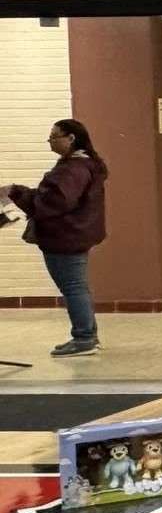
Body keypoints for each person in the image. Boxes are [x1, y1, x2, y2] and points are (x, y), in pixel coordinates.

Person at [5, 119, 108, 357]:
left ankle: (84, 338)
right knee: (77, 287)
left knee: (73, 288)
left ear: (71, 138)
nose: (50, 142)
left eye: (54, 137)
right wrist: (18, 191)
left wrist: (18, 194)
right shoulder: (84, 165)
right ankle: (87, 335)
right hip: (74, 234)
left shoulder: (73, 169)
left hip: (65, 236)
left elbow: (55, 202)